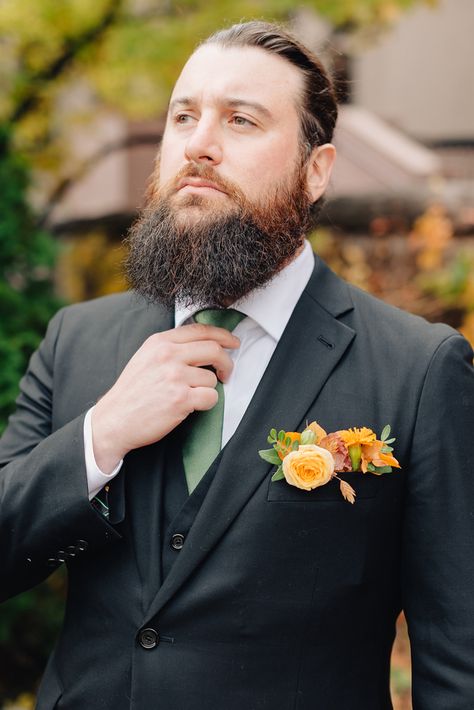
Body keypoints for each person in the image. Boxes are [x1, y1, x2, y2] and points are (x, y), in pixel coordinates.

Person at [1, 20, 473, 710]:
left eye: (241, 120)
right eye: (183, 116)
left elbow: (457, 656)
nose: (198, 144)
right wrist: (98, 438)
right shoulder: (78, 338)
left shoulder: (419, 369)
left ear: (316, 172)